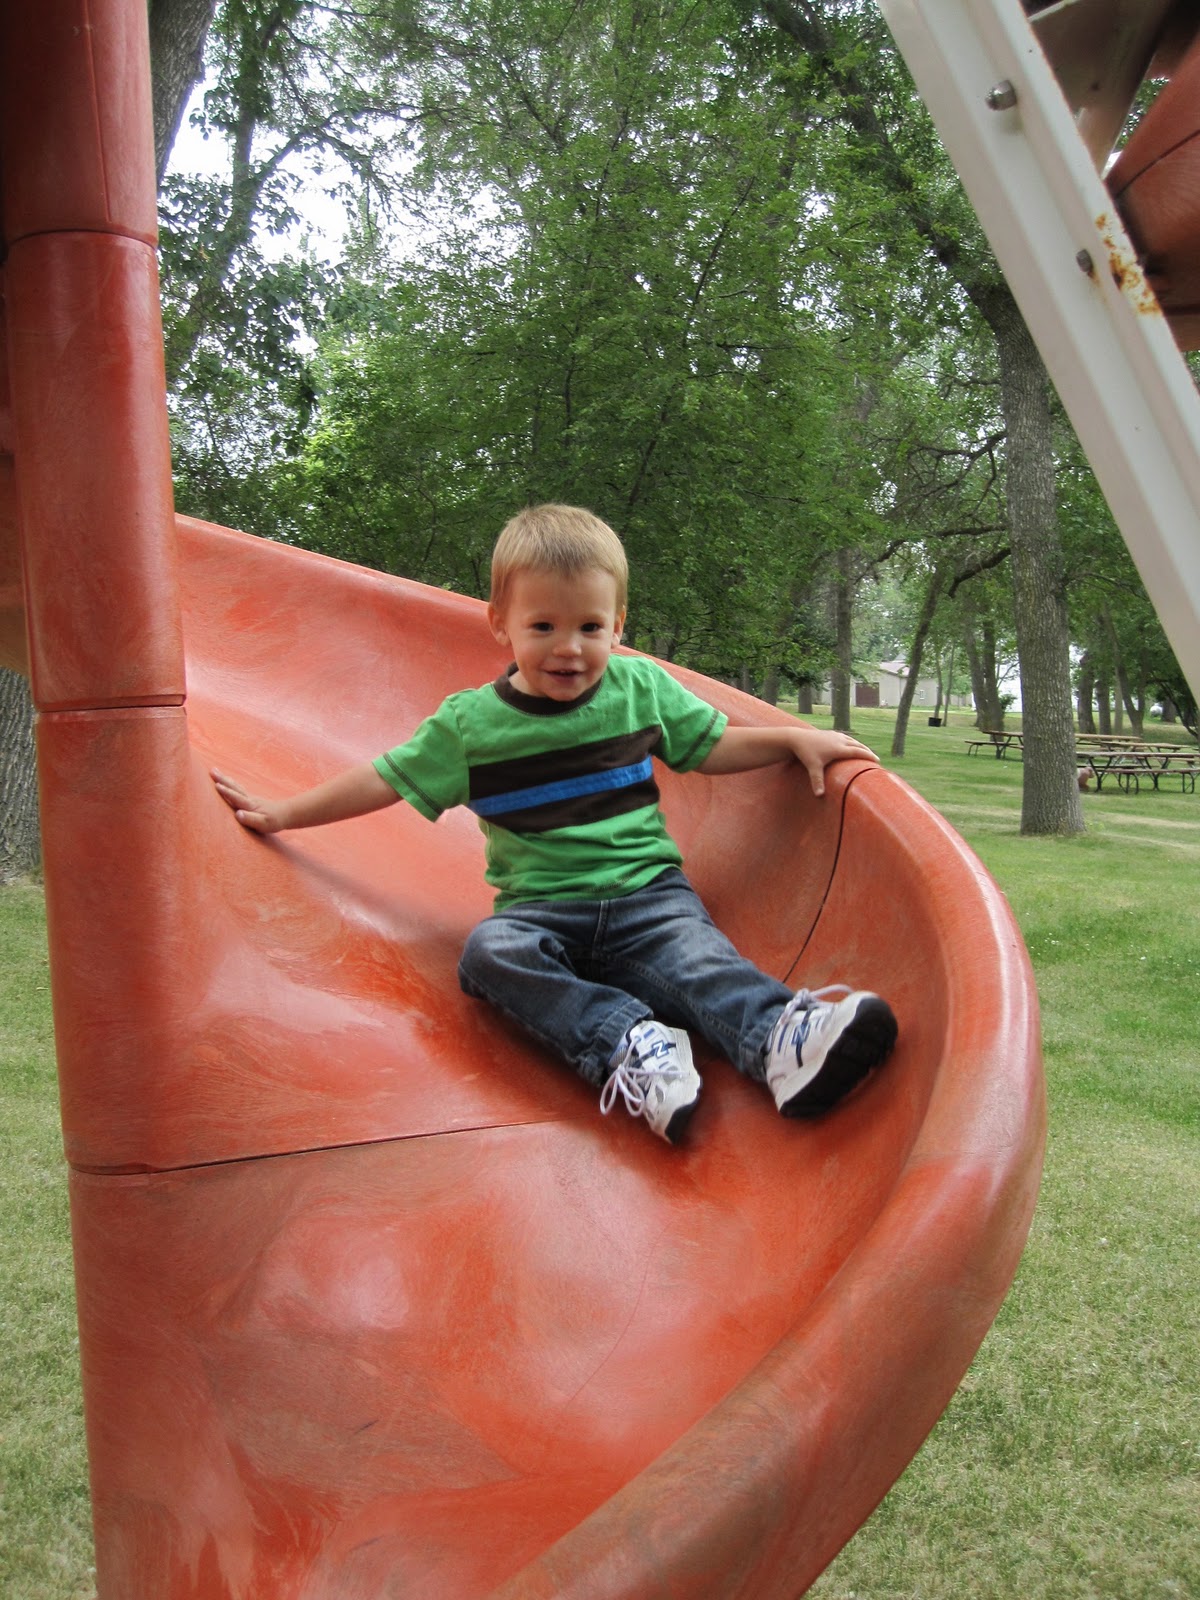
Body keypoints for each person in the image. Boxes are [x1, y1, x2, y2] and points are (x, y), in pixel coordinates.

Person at [212, 504, 897, 1145]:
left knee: (698, 960)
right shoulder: (471, 727)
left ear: (618, 625)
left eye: (589, 628)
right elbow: (384, 779)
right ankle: (629, 1042)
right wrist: (286, 813)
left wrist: (789, 739)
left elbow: (709, 745)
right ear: (500, 623)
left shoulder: (640, 690)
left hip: (648, 898)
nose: (568, 648)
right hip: (541, 914)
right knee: (489, 954)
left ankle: (780, 1040)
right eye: (543, 627)